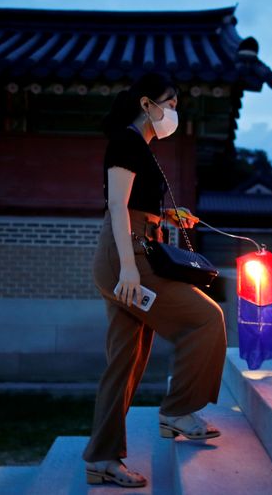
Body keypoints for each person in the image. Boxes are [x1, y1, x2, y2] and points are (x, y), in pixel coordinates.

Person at [82, 72, 227, 488]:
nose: (173, 113)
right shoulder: (127, 141)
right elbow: (116, 205)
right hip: (128, 256)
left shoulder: (140, 146)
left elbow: (137, 205)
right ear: (147, 105)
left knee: (124, 363)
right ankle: (178, 410)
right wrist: (128, 269)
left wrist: (167, 217)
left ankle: (102, 460)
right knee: (205, 318)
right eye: (170, 104)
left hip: (135, 249)